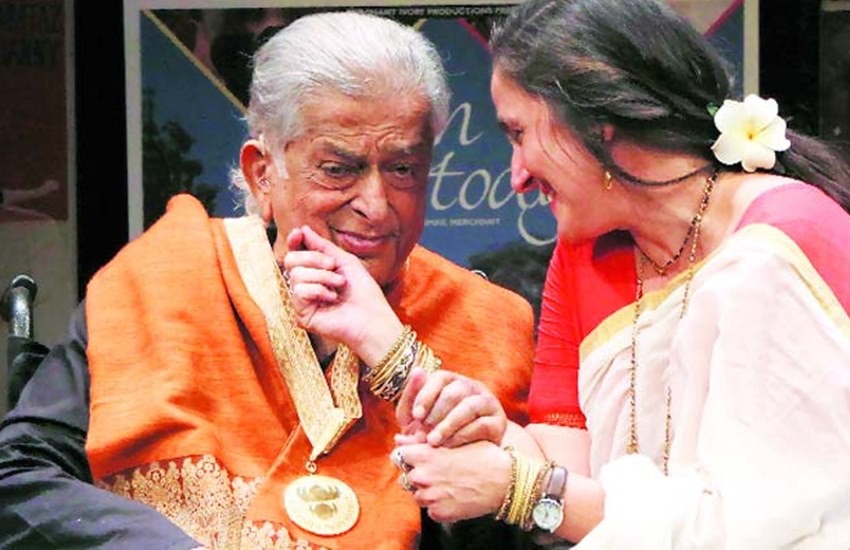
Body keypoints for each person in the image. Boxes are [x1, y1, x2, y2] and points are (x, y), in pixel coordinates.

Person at [301, 0, 850, 547]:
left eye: (519, 134)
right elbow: (571, 477)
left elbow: (753, 529)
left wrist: (517, 487)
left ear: (598, 125)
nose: (516, 176)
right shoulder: (586, 252)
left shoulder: (780, 244)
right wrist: (481, 425)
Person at [0, 12, 535, 549]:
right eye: (338, 169)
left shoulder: (483, 321)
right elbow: (20, 477)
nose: (376, 206)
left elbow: (519, 524)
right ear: (263, 174)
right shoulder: (163, 278)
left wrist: (395, 356)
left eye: (403, 169)